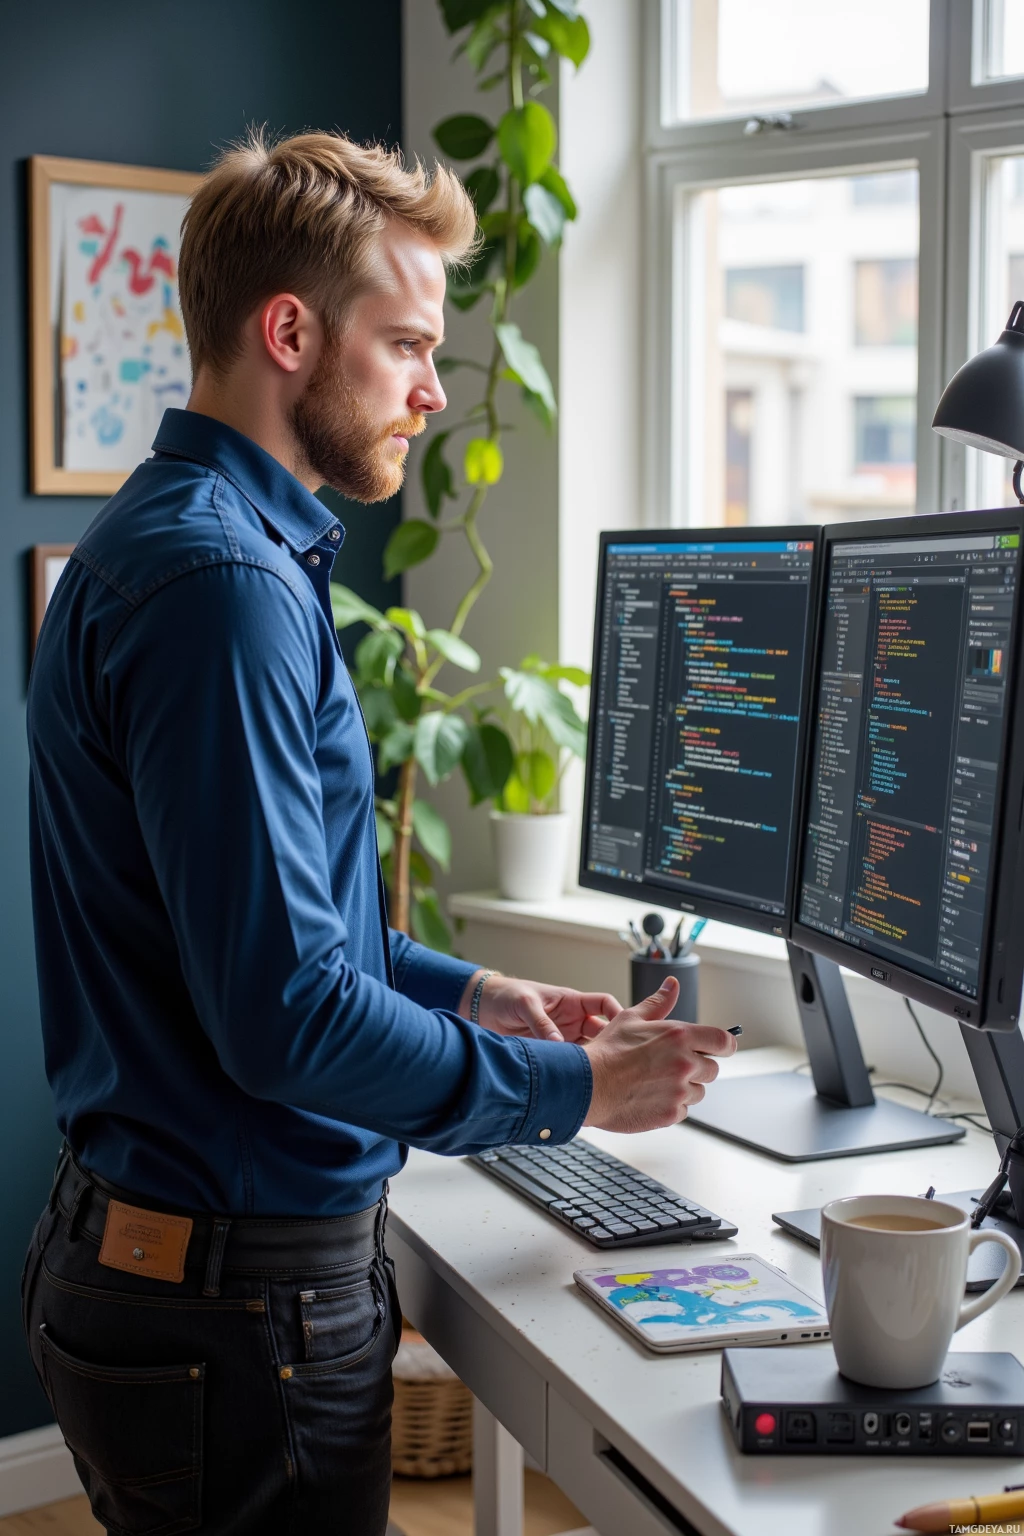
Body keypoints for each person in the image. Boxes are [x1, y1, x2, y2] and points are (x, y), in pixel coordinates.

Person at [23, 130, 736, 1536]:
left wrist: (479, 994)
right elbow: (284, 1016)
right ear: (288, 331)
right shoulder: (220, 589)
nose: (428, 392)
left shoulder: (196, 545)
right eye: (406, 345)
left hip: (182, 1270)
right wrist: (579, 1093)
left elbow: (281, 928)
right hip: (235, 1303)